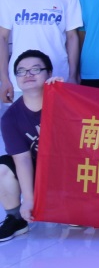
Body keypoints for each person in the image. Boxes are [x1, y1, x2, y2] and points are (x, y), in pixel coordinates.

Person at [0, 0, 81, 98]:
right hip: (20, 80)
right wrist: (4, 79)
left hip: (58, 78)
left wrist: (72, 76)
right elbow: (2, 38)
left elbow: (72, 38)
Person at [0, 50, 53, 241]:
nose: (28, 75)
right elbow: (22, 159)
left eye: (35, 69)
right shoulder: (10, 118)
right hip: (37, 173)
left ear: (49, 73)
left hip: (69, 171)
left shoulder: (65, 103)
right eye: (21, 71)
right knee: (3, 167)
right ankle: (16, 218)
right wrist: (28, 200)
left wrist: (64, 91)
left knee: (77, 221)